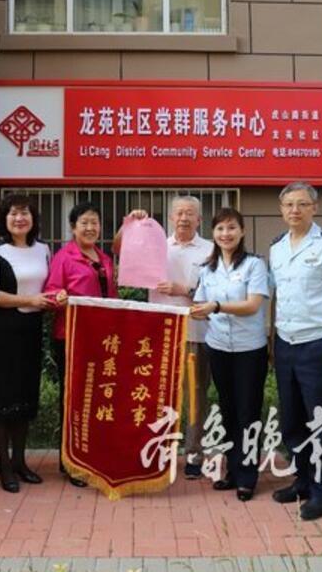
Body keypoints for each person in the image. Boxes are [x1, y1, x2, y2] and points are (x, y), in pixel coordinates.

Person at [268, 181, 322, 521]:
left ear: (314, 208)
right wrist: (272, 339)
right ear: (281, 209)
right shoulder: (277, 248)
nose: (295, 210)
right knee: (292, 421)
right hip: (286, 343)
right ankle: (302, 480)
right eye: (289, 204)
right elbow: (276, 298)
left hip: (319, 343)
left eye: (302, 204)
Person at [112, 197, 213, 479]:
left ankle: (194, 454)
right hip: (158, 334)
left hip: (196, 334)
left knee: (195, 398)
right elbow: (118, 248)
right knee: (157, 397)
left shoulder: (210, 249)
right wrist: (130, 223)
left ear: (199, 220)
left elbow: (218, 291)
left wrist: (184, 289)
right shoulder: (155, 244)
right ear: (170, 218)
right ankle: (158, 453)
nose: (184, 218)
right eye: (179, 212)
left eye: (190, 213)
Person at [190, 208, 269, 501]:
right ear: (214, 233)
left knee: (248, 412)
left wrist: (216, 307)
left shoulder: (254, 265)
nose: (226, 234)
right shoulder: (207, 269)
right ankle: (232, 471)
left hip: (250, 350)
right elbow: (199, 306)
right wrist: (195, 312)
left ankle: (248, 476)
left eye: (232, 228)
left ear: (242, 231)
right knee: (227, 411)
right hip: (219, 347)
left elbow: (252, 305)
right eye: (220, 229)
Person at [0, 194, 58, 492]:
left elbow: (49, 287)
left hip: (30, 329)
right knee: (2, 400)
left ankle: (20, 462)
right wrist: (30, 300)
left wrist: (53, 299)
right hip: (1, 331)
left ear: (33, 219)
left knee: (26, 398)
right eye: (13, 214)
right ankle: (4, 467)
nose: (19, 218)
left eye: (25, 213)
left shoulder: (43, 250)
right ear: (4, 219)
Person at [43, 201, 118, 487]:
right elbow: (50, 293)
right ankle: (70, 461)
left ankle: (92, 454)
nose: (90, 227)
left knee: (97, 397)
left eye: (94, 222)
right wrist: (58, 296)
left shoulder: (105, 258)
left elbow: (112, 296)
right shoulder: (64, 257)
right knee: (73, 399)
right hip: (71, 337)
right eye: (84, 222)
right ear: (73, 227)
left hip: (101, 339)